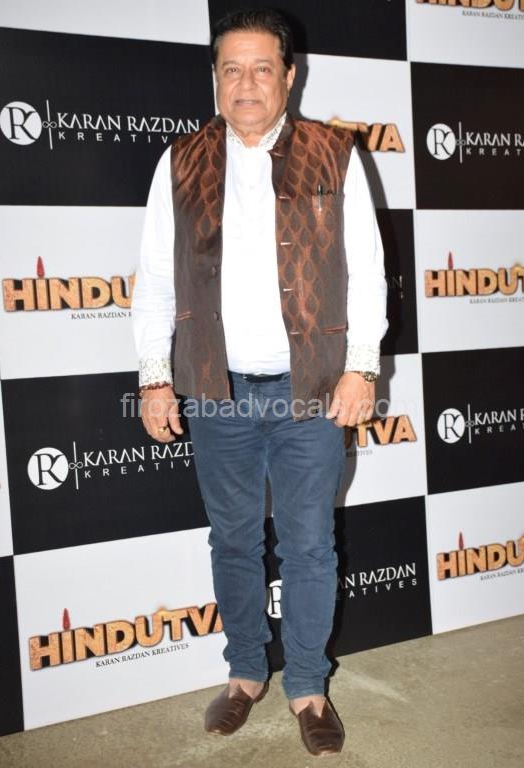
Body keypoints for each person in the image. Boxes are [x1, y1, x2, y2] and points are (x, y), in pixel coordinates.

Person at [131, 7, 388, 758]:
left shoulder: (334, 153)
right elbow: (154, 278)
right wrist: (155, 378)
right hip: (216, 391)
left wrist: (361, 367)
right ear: (215, 78)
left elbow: (367, 271)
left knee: (309, 547)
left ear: (289, 76)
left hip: (311, 390)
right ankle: (246, 672)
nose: (246, 84)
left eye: (262, 69)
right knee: (234, 541)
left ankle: (307, 686)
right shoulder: (180, 160)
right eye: (231, 70)